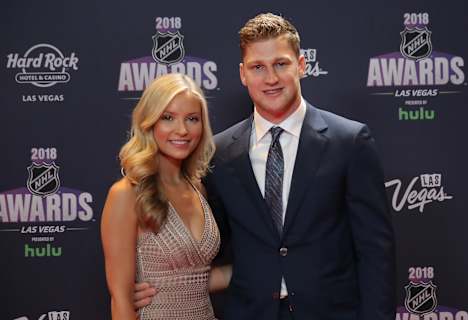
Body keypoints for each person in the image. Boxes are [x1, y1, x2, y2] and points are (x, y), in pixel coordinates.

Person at [135, 13, 396, 320]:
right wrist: (165, 286)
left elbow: (376, 253)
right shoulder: (217, 152)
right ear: (244, 74)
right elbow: (210, 246)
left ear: (301, 65)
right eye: (258, 67)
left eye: (281, 64)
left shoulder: (349, 142)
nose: (270, 78)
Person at [101, 73, 231, 320]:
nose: (181, 130)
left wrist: (272, 268)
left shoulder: (198, 189)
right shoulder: (126, 194)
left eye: (192, 119)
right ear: (149, 123)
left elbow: (195, 279)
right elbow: (121, 301)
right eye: (168, 118)